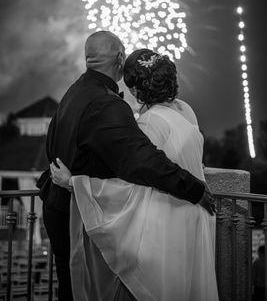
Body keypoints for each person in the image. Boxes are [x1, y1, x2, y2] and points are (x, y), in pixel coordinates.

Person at [52, 48, 218, 301]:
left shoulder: (148, 123)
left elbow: (131, 185)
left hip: (165, 220)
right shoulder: (186, 111)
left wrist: (75, 183)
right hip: (195, 214)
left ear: (137, 91)